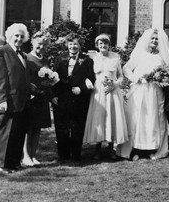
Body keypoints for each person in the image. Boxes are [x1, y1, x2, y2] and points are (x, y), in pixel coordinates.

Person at [119, 28, 169, 161]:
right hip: (139, 90)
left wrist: (162, 79)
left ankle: (151, 149)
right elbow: (126, 68)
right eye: (152, 39)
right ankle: (136, 150)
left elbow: (168, 72)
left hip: (155, 92)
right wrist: (136, 78)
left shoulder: (161, 57)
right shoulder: (140, 54)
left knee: (153, 119)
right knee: (138, 119)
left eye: (156, 39)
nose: (154, 41)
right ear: (147, 40)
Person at [0, 23, 30, 174]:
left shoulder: (23, 55)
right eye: (16, 36)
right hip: (8, 99)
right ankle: (1, 163)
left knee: (18, 131)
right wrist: (1, 99)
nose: (19, 39)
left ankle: (14, 162)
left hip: (22, 100)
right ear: (9, 36)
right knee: (6, 132)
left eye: (22, 36)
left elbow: (22, 76)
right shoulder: (2, 52)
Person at [83, 34, 128, 160]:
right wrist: (88, 81)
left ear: (109, 45)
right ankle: (97, 149)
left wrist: (114, 84)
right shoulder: (93, 57)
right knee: (99, 118)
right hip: (98, 91)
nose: (103, 46)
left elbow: (121, 76)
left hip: (112, 91)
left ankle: (110, 149)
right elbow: (87, 74)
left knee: (111, 118)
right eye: (100, 44)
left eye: (105, 44)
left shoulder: (116, 57)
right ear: (97, 45)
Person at [52, 33, 95, 162]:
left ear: (80, 45)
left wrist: (81, 89)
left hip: (79, 99)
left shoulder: (87, 60)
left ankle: (76, 155)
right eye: (70, 44)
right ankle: (63, 155)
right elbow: (53, 78)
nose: (73, 46)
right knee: (62, 127)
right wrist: (53, 96)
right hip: (62, 98)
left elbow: (91, 79)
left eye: (76, 44)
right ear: (67, 45)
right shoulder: (60, 58)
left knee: (77, 127)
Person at [22, 31, 53, 167]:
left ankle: (33, 155)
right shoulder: (26, 58)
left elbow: (47, 78)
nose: (41, 47)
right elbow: (24, 78)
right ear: (33, 43)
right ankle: (26, 156)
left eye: (44, 45)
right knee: (28, 127)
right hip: (30, 97)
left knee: (38, 128)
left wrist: (49, 82)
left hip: (42, 97)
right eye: (39, 44)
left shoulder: (45, 60)